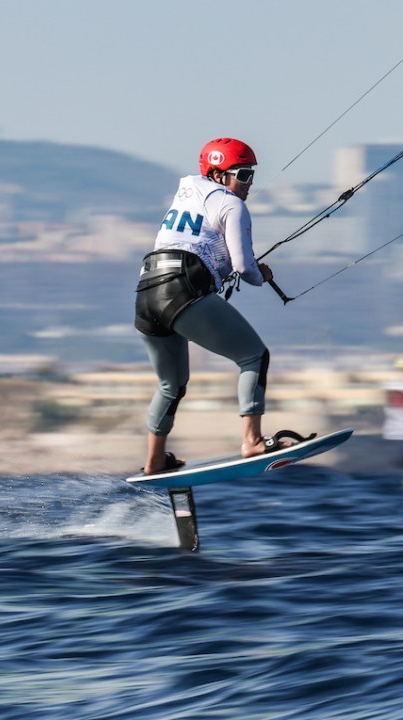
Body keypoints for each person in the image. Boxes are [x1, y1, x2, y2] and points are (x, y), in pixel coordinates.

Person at [134, 137, 287, 475]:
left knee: (170, 385)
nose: (248, 183)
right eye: (243, 175)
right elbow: (244, 267)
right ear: (219, 176)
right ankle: (252, 441)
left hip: (146, 291)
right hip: (180, 290)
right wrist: (261, 276)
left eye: (251, 175)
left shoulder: (188, 193)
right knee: (254, 357)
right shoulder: (231, 205)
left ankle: (155, 461)